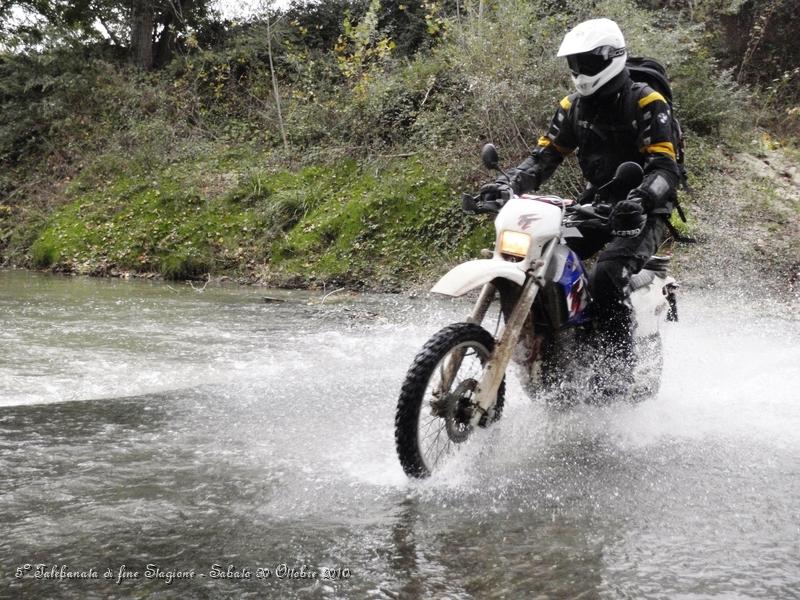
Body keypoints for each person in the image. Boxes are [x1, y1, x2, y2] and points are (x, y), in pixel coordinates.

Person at [480, 17, 680, 394]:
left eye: (587, 63)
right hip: (596, 207)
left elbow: (665, 168)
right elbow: (543, 158)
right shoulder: (572, 106)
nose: (580, 72)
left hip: (643, 213)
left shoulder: (647, 102)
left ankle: (617, 375)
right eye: (574, 64)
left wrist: (640, 199)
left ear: (611, 57)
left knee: (606, 275)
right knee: (547, 255)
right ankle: (559, 349)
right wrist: (505, 185)